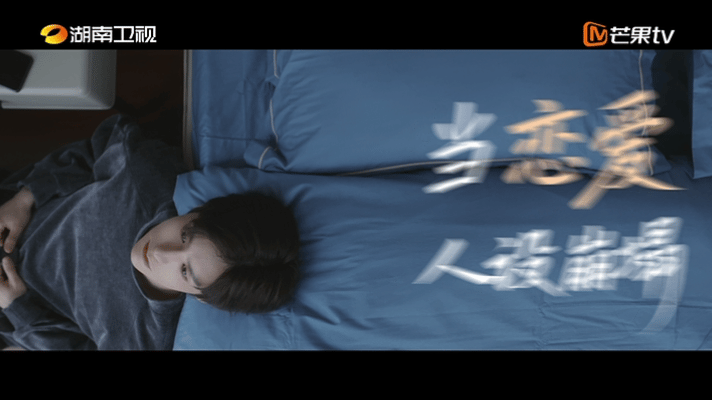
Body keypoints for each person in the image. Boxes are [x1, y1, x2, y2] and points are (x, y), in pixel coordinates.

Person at [0, 115, 301, 350]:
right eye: (185, 236)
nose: (159, 253)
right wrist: (27, 196)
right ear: (198, 210)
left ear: (202, 299)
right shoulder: (149, 178)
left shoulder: (143, 339)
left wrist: (19, 309)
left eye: (185, 271)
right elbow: (106, 138)